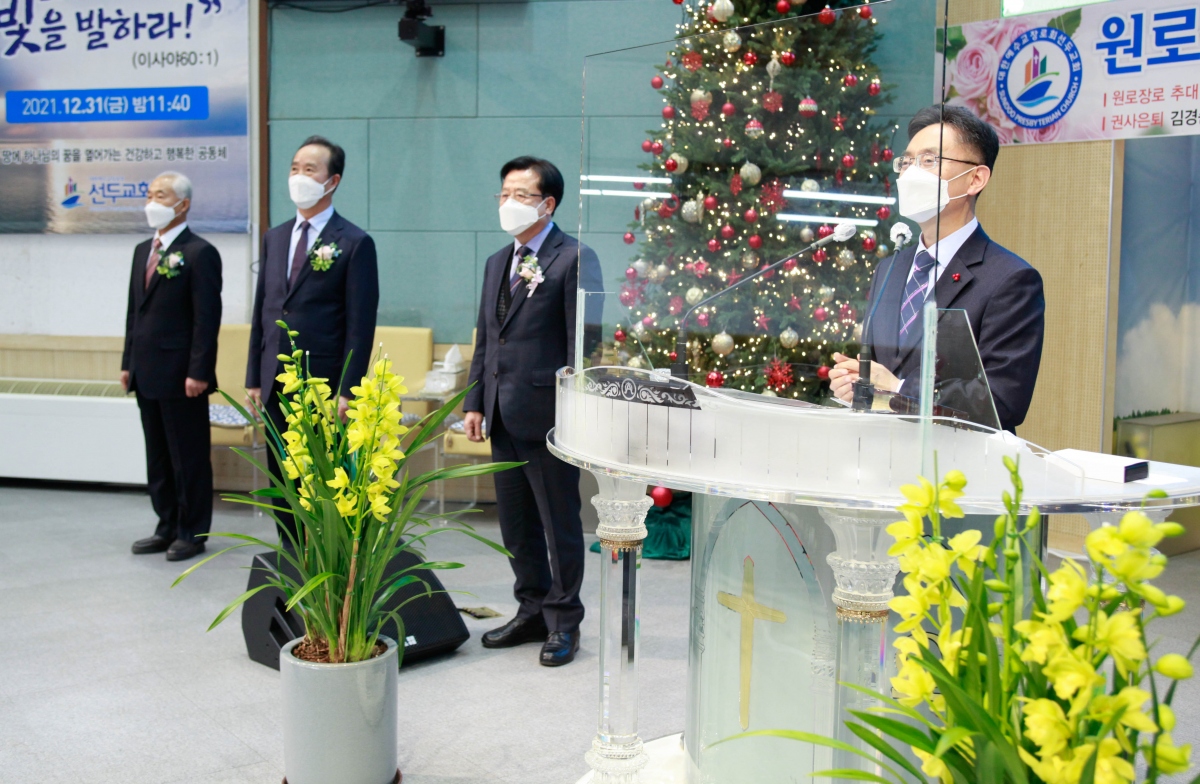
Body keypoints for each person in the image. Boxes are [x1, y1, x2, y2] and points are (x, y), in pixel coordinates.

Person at [464, 156, 604, 667]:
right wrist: (474, 401)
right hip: (501, 412)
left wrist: (573, 412)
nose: (508, 203)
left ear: (547, 204)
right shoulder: (496, 261)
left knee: (558, 524)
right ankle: (531, 611)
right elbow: (488, 339)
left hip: (549, 416)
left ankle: (564, 621)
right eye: (504, 194)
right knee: (516, 526)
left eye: (520, 195)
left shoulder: (574, 258)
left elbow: (582, 346)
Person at [829, 105, 1045, 433]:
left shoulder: (1009, 279)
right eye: (906, 162)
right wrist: (855, 385)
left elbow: (1003, 399)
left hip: (956, 458)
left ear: (975, 178)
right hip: (881, 449)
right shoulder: (889, 269)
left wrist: (900, 389)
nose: (910, 174)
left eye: (929, 160)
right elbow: (879, 373)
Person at [245, 136, 379, 542]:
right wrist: (254, 378)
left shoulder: (354, 242)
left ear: (332, 181)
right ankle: (290, 559)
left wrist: (348, 390)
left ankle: (323, 563)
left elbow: (360, 325)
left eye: (309, 169)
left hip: (323, 387)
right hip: (275, 382)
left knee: (321, 484)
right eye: (294, 168)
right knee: (283, 480)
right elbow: (263, 311)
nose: (298, 176)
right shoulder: (275, 237)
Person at [123, 172, 222, 562]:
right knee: (159, 456)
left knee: (188, 457)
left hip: (183, 376)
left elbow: (206, 319)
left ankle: (192, 532)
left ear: (183, 204)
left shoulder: (199, 253)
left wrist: (199, 371)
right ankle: (165, 526)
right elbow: (134, 313)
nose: (152, 202)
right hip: (146, 371)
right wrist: (127, 362)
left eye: (160, 196)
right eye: (149, 195)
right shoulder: (141, 251)